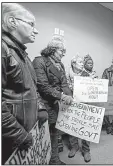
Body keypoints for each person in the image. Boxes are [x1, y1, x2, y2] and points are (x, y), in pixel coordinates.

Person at [2, 3, 48, 164]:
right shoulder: (3, 50)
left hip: (28, 128)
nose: (36, 30)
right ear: (12, 21)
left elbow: (33, 88)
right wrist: (18, 135)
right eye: (31, 24)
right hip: (11, 138)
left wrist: (41, 108)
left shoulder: (23, 55)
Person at [32, 37, 73, 165]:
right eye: (62, 50)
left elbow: (64, 83)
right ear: (52, 50)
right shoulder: (39, 61)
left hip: (55, 104)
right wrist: (61, 96)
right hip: (43, 105)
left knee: (55, 133)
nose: (64, 53)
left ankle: (54, 159)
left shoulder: (60, 65)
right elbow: (42, 86)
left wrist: (69, 96)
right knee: (44, 135)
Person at [66, 55, 91, 162]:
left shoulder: (86, 74)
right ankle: (74, 146)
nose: (82, 64)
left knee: (85, 126)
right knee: (72, 126)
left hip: (84, 103)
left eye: (82, 62)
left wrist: (92, 82)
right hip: (71, 103)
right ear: (73, 64)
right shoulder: (66, 75)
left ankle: (86, 150)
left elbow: (90, 90)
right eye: (80, 62)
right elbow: (63, 87)